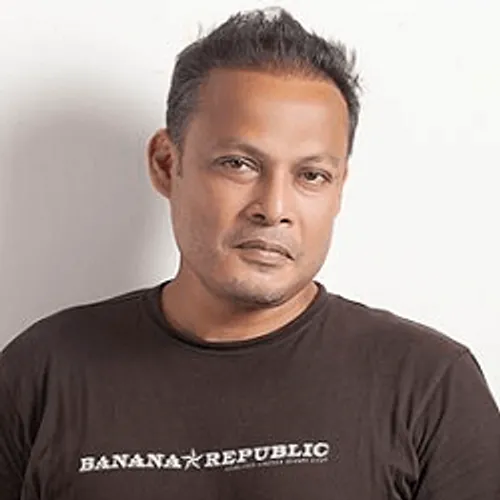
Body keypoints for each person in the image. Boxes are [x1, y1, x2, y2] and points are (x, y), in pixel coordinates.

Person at [1, 7, 499, 500]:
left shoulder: (428, 385)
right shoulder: (41, 374)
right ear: (166, 164)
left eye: (311, 175)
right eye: (238, 164)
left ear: (339, 188)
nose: (274, 208)